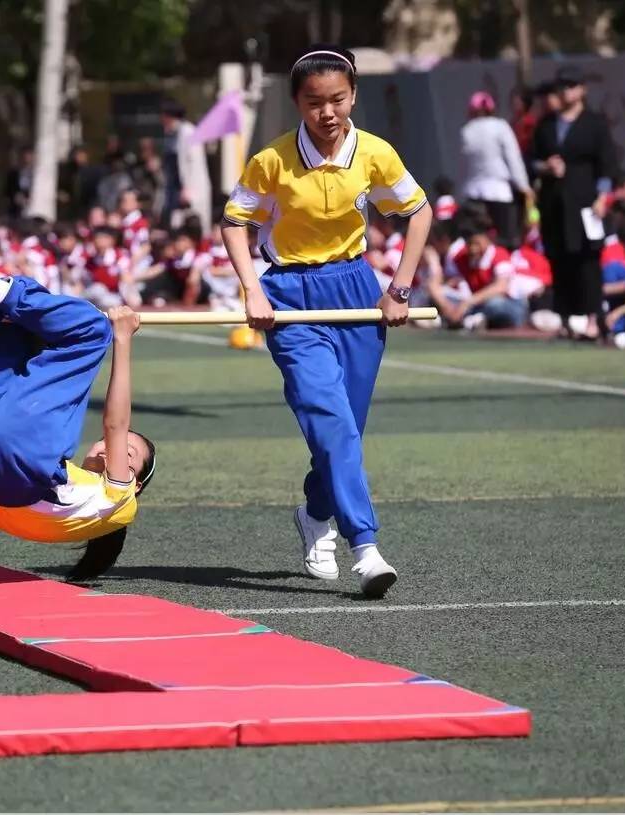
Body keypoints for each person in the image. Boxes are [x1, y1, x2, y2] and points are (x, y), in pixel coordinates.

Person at [220, 45, 433, 599]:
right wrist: (252, 289)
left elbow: (418, 211)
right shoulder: (271, 160)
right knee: (329, 419)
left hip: (357, 291)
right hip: (290, 295)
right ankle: (365, 546)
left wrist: (399, 287)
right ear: (298, 104)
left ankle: (315, 513)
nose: (328, 112)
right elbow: (234, 221)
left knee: (346, 432)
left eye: (337, 99)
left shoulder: (376, 153)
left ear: (353, 95)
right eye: (315, 102)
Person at [0, 223, 157, 580]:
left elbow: (116, 424)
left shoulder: (120, 500)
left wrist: (122, 339)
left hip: (13, 464)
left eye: (127, 455)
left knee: (90, 331)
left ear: (136, 482)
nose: (107, 450)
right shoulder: (77, 488)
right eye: (111, 448)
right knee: (22, 329)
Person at [530, 66, 618, 340]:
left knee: (587, 260)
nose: (565, 91)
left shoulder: (595, 124)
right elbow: (530, 160)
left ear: (582, 90)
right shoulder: (546, 125)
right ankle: (566, 317)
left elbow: (607, 165)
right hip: (554, 202)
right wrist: (546, 166)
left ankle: (593, 318)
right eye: (562, 86)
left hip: (586, 203)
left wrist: (603, 197)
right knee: (559, 258)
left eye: (571, 86)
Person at [459, 91, 532, 249]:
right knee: (506, 241)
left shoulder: (467, 131)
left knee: (478, 242)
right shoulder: (500, 126)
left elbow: (464, 167)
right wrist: (524, 186)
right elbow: (513, 159)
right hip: (500, 192)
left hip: (474, 194)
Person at [161, 100, 212, 228]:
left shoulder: (187, 131)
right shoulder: (172, 134)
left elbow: (193, 162)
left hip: (189, 189)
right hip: (175, 189)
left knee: (191, 224)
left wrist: (187, 188)